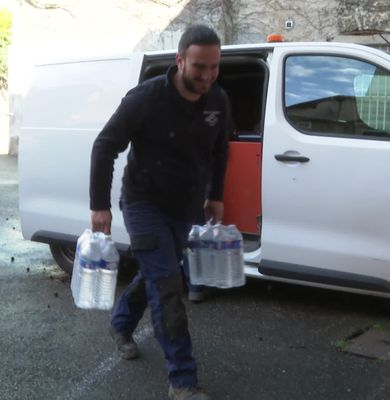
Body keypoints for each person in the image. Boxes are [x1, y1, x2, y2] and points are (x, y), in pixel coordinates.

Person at [89, 24, 230, 400]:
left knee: (160, 272)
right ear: (180, 59)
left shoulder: (217, 100)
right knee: (168, 285)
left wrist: (215, 195)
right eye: (200, 66)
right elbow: (104, 146)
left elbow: (220, 151)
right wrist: (99, 205)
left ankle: (121, 323)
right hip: (143, 204)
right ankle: (182, 380)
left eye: (214, 67)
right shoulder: (146, 99)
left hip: (185, 207)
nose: (207, 76)